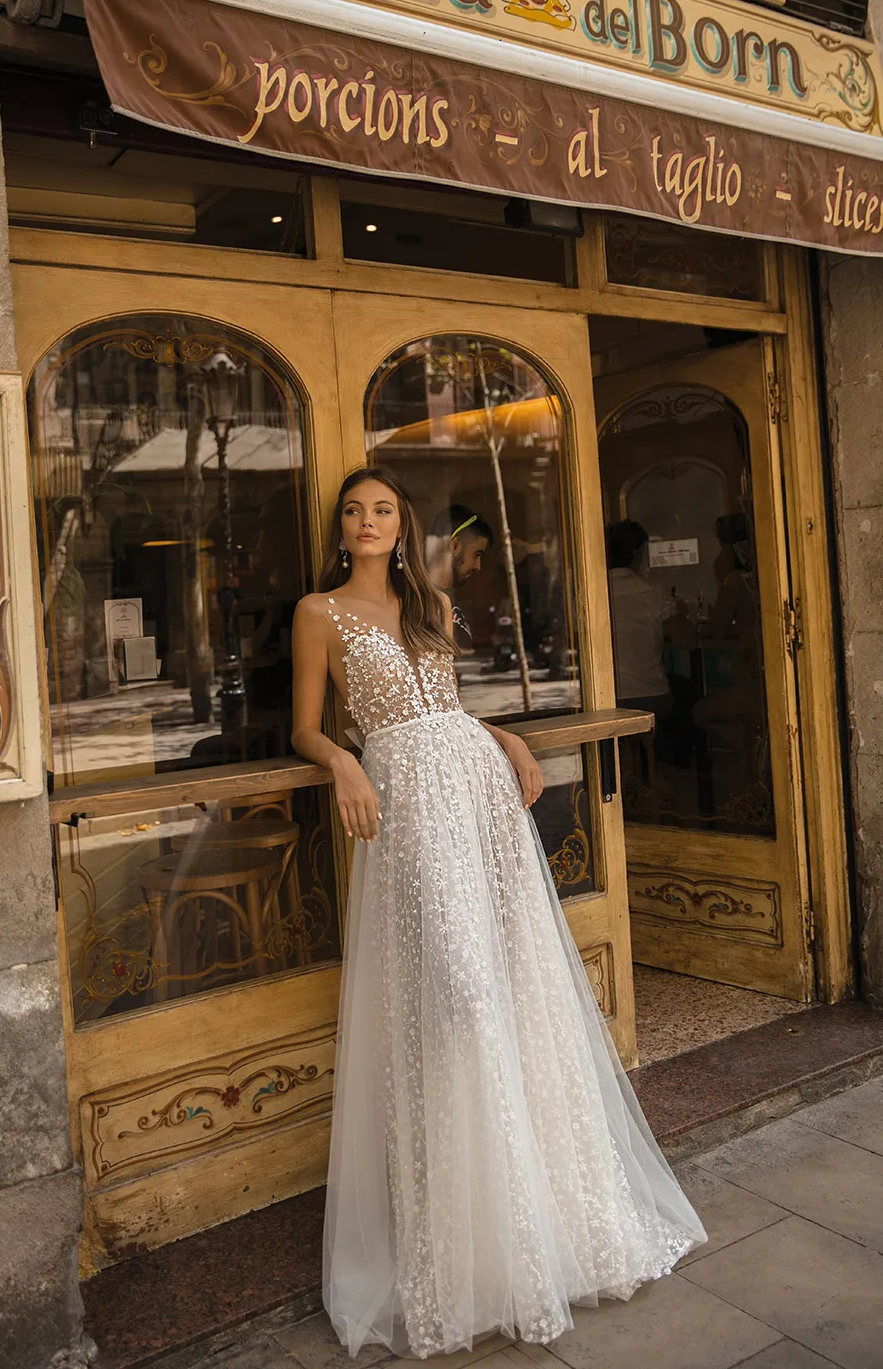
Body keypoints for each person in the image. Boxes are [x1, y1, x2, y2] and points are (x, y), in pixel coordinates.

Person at [291, 467, 705, 1360]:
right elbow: (305, 726)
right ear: (341, 527)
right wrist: (343, 761)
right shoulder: (318, 612)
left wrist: (506, 736)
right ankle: (473, 1242)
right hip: (406, 806)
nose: (367, 521)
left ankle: (549, 1223)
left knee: (515, 985)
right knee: (460, 995)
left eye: (383, 510)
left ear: (403, 525)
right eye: (354, 511)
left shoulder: (431, 603)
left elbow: (448, 709)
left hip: (476, 793)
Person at [605, 519, 697, 722]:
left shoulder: (590, 595)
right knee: (688, 694)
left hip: (602, 698)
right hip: (649, 695)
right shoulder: (652, 593)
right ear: (638, 553)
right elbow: (689, 640)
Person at [425, 504, 493, 645]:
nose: (478, 566)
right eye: (477, 554)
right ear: (454, 545)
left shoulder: (445, 603)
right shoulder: (417, 605)